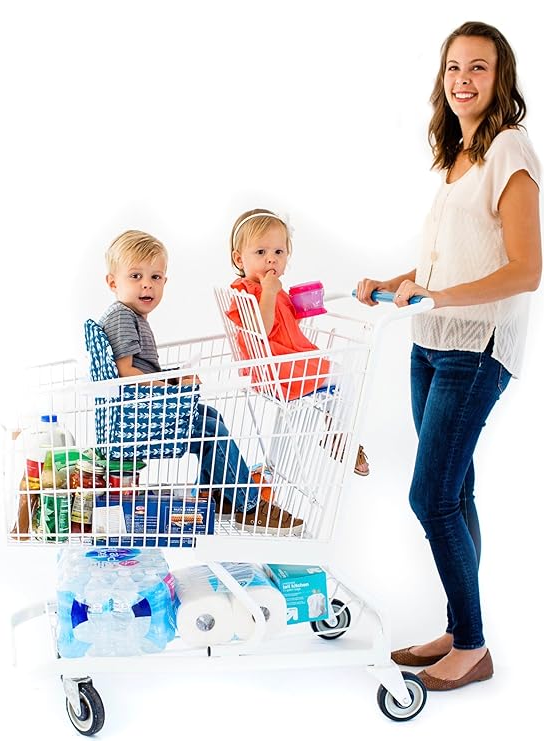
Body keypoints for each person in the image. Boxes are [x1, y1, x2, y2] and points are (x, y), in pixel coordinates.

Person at [356, 21, 541, 691]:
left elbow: (526, 269)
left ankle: (472, 646)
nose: (463, 79)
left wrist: (437, 296)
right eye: (453, 67)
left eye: (478, 67)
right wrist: (399, 282)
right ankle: (459, 628)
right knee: (454, 493)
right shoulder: (458, 154)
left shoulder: (510, 148)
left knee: (430, 497)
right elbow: (452, 260)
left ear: (501, 77)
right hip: (430, 343)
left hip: (475, 348)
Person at [99, 229, 304, 535]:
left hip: (146, 408)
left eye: (156, 277)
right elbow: (125, 373)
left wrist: (173, 377)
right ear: (113, 282)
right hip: (139, 417)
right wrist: (171, 387)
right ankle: (250, 505)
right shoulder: (122, 317)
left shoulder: (132, 316)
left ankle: (216, 494)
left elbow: (139, 368)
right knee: (210, 431)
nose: (147, 284)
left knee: (210, 418)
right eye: (136, 276)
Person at [227, 209, 370, 476]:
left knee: (333, 386)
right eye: (261, 252)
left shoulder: (271, 288)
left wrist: (301, 307)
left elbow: (283, 324)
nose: (271, 258)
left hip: (279, 364)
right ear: (239, 258)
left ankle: (332, 434)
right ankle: (340, 437)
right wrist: (270, 292)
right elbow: (262, 328)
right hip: (279, 367)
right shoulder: (249, 292)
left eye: (279, 252)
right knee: (344, 377)